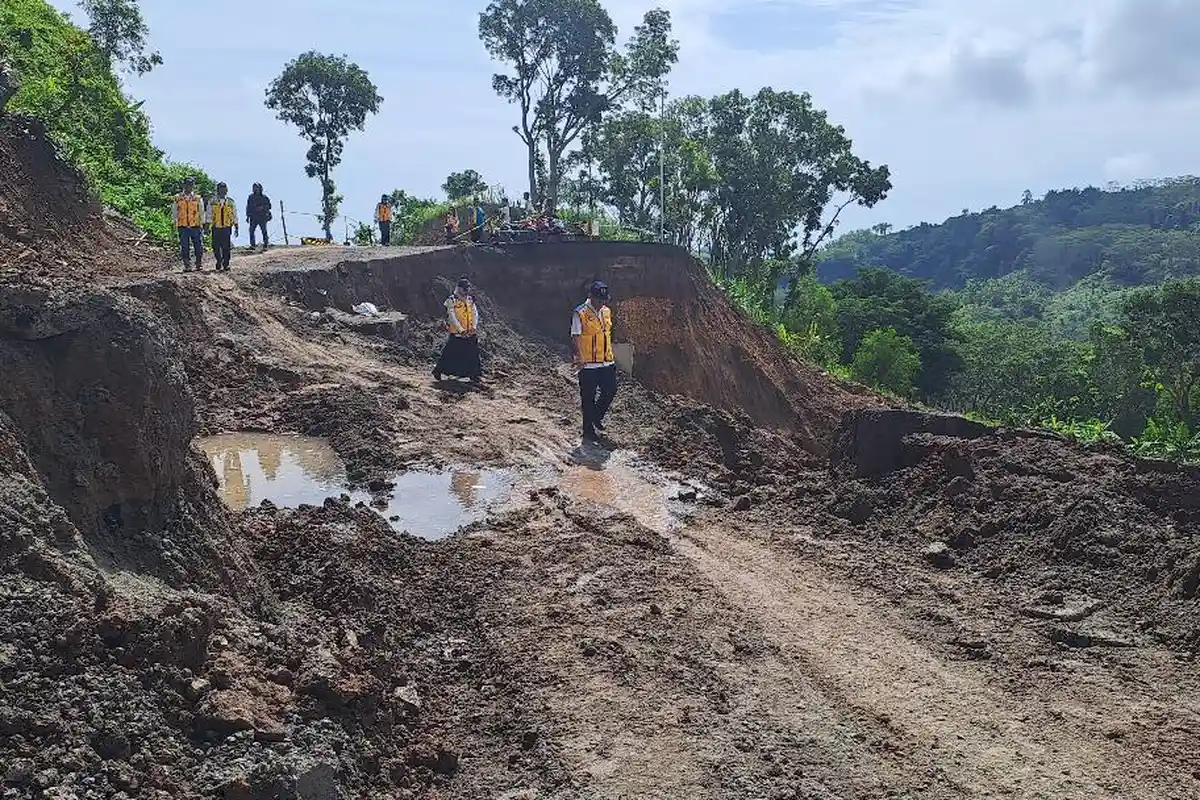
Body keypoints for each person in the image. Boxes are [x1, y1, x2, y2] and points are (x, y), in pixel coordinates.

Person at [571, 280, 617, 444]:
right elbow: (575, 336)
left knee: (610, 390)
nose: (601, 303)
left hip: (606, 361)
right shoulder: (580, 313)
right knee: (588, 398)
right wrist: (579, 357)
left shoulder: (606, 311)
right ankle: (588, 431)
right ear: (590, 296)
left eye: (604, 300)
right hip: (588, 364)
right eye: (598, 300)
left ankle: (596, 417)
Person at [433, 276, 482, 384]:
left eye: (468, 288)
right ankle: (438, 370)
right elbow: (452, 317)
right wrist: (460, 329)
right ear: (459, 288)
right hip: (457, 333)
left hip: (469, 332)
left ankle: (474, 375)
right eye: (464, 288)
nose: (466, 290)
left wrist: (474, 326)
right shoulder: (452, 300)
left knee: (473, 354)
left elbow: (475, 314)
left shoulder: (470, 299)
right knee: (450, 353)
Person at [173, 177, 205, 272]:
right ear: (183, 185)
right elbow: (174, 211)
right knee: (184, 246)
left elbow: (201, 212)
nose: (189, 187)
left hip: (195, 225)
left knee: (198, 246)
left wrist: (202, 224)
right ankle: (187, 265)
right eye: (187, 184)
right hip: (182, 226)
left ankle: (198, 263)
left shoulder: (198, 198)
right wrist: (174, 223)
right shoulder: (177, 198)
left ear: (193, 186)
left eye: (191, 185)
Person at [206, 182, 239, 271]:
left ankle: (226, 264)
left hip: (226, 227)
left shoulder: (231, 202)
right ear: (217, 190)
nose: (222, 191)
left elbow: (234, 214)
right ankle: (219, 260)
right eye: (220, 189)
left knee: (226, 247)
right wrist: (207, 226)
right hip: (215, 227)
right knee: (215, 246)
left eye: (224, 189)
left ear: (226, 190)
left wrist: (236, 226)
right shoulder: (212, 201)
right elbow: (209, 214)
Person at [246, 183, 272, 251]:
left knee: (264, 231)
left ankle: (266, 245)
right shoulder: (251, 197)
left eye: (256, 187)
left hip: (262, 217)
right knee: (251, 231)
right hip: (253, 217)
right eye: (254, 187)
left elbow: (269, 206)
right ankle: (252, 245)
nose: (255, 189)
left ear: (260, 188)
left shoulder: (264, 197)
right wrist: (247, 216)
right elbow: (248, 207)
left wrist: (262, 207)